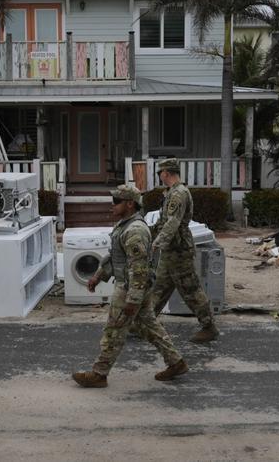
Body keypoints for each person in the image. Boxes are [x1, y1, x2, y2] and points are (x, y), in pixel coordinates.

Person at [72, 184, 188, 388]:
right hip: (134, 286)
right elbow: (116, 257)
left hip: (130, 288)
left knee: (114, 330)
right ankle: (176, 362)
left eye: (116, 202)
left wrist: (132, 299)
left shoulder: (135, 230)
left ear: (130, 204)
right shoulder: (124, 225)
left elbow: (139, 268)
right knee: (149, 326)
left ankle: (99, 374)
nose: (112, 206)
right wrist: (98, 276)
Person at [151, 158, 219, 342]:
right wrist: (151, 233)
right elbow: (164, 220)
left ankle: (209, 326)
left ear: (167, 173)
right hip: (171, 250)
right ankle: (145, 323)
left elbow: (173, 222)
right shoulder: (172, 192)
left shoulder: (178, 194)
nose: (160, 176)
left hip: (179, 250)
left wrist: (158, 241)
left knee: (190, 289)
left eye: (160, 172)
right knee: (159, 287)